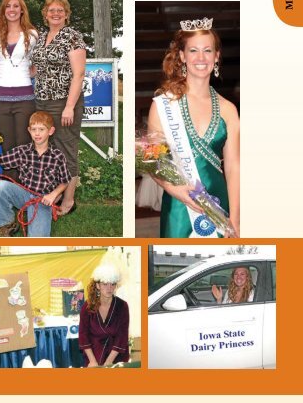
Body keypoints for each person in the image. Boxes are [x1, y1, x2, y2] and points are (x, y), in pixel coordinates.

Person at [147, 18, 240, 238]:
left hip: (220, 206)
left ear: (216, 56)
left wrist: (235, 219)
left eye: (208, 50)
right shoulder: (164, 104)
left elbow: (234, 167)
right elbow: (151, 159)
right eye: (193, 50)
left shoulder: (229, 109)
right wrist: (172, 189)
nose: (201, 58)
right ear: (182, 56)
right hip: (179, 206)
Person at [31, 0, 86, 215]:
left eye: (60, 10)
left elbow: (79, 74)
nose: (55, 13)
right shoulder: (43, 36)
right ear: (45, 14)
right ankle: (55, 193)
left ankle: (68, 201)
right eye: (51, 10)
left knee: (66, 152)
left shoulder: (73, 37)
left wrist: (69, 106)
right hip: (41, 102)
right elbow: (37, 69)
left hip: (63, 103)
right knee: (49, 150)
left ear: (66, 14)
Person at [0, 111, 71, 237]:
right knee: (0, 186)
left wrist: (53, 195)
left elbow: (65, 181)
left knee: (37, 240)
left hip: (43, 200)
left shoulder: (57, 156)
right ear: (29, 130)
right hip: (23, 195)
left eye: (41, 129)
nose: (37, 133)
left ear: (50, 131)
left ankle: (41, 216)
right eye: (34, 129)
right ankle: (6, 224)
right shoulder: (22, 151)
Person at [0, 0, 38, 171]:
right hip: (1, 99)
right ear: (4, 10)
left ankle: (25, 188)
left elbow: (37, 64)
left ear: (22, 10)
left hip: (25, 99)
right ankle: (9, 187)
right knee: (6, 145)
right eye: (8, 6)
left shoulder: (32, 35)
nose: (11, 9)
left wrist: (28, 74)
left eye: (16, 6)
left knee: (23, 144)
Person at [78, 264, 130, 367]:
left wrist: (109, 362)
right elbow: (83, 336)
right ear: (98, 285)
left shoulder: (122, 306)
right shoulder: (87, 307)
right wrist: (92, 361)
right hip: (93, 354)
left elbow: (122, 336)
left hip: (116, 355)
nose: (109, 288)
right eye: (105, 284)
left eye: (113, 284)